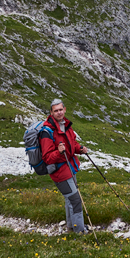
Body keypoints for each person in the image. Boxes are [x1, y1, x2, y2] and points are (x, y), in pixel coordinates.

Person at [39, 98, 89, 234]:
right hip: (60, 172)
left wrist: (81, 149)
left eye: (61, 109)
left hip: (70, 168)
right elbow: (47, 158)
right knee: (75, 200)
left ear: (65, 109)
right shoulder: (47, 131)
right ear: (51, 112)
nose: (59, 112)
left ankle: (71, 227)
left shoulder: (65, 125)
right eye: (56, 111)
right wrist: (58, 151)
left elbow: (72, 144)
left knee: (70, 200)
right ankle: (80, 232)